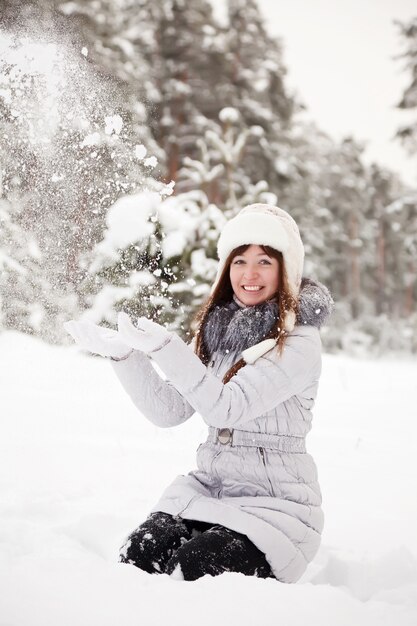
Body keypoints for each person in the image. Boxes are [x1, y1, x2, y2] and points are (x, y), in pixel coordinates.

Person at [65, 203, 333, 583]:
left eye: (264, 262)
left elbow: (227, 408)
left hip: (276, 508)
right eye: (239, 261)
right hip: (210, 490)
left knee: (195, 568)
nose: (250, 274)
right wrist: (125, 356)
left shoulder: (299, 342)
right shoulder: (219, 331)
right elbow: (169, 410)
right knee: (141, 551)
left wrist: (166, 348)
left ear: (286, 268)